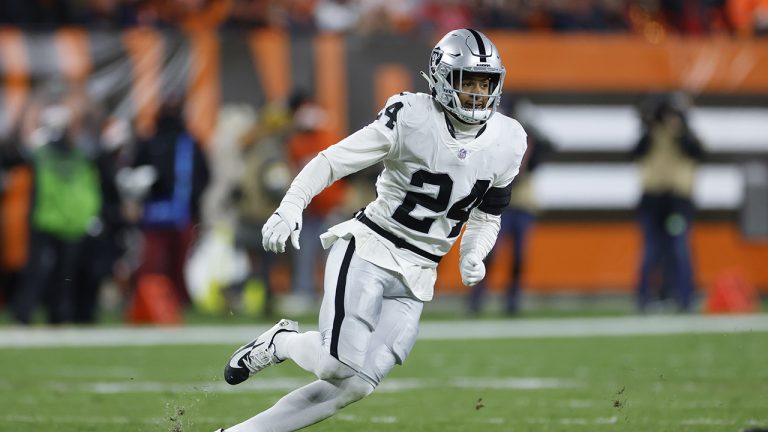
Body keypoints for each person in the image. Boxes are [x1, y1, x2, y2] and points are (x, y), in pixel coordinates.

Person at [214, 28, 527, 432]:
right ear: (442, 80)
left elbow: (488, 213)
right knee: (334, 364)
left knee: (355, 385)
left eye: (486, 83)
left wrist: (473, 252)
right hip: (372, 248)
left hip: (421, 272)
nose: (478, 93)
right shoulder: (411, 117)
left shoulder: (509, 139)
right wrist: (291, 205)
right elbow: (333, 160)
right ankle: (281, 342)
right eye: (468, 82)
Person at [632, 92, 704, 313]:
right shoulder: (650, 136)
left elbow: (697, 152)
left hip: (677, 201)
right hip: (653, 200)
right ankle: (644, 299)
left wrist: (679, 128)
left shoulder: (686, 137)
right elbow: (635, 152)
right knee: (651, 251)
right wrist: (652, 123)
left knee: (679, 249)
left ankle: (684, 298)